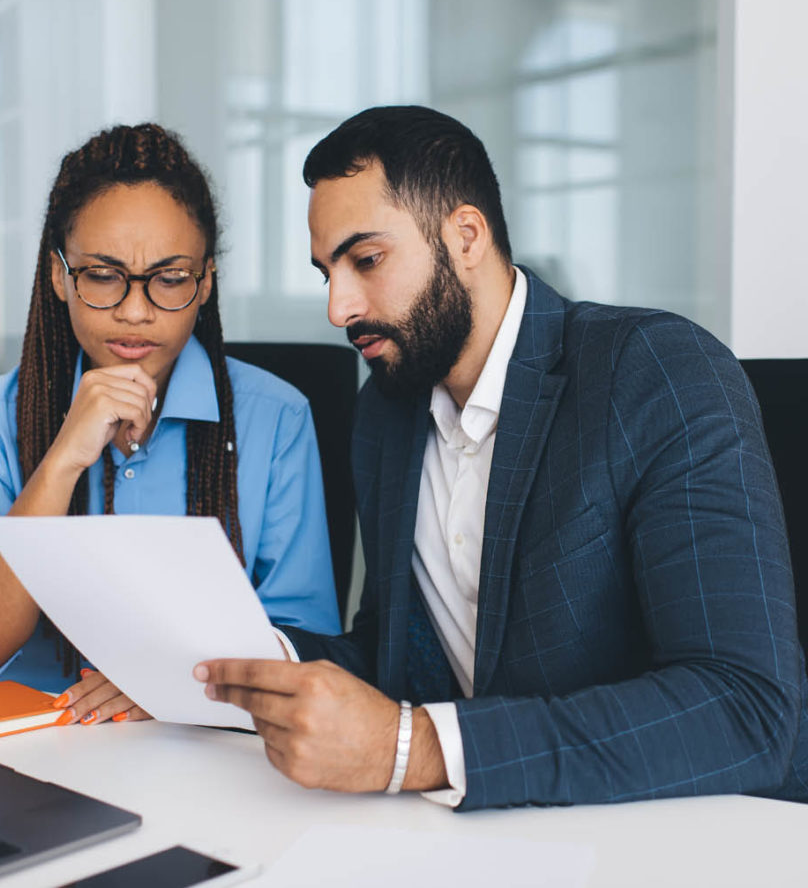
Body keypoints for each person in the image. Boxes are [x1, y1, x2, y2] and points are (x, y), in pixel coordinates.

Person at [195, 105, 808, 808]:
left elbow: (744, 710)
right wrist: (229, 664)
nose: (338, 306)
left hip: (712, 827)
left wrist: (416, 748)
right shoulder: (385, 414)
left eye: (366, 260)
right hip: (508, 835)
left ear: (465, 236)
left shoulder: (655, 373)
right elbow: (400, 659)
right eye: (326, 271)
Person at [0, 123, 340, 724]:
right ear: (61, 276)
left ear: (206, 281)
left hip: (211, 762)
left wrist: (172, 685)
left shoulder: (277, 420)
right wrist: (61, 460)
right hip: (26, 757)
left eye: (169, 279)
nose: (135, 312)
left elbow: (306, 648)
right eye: (103, 276)